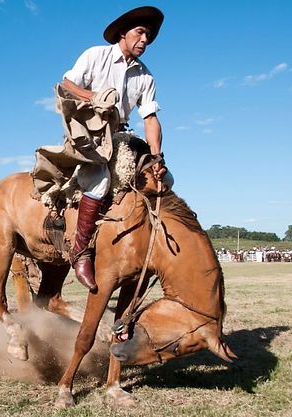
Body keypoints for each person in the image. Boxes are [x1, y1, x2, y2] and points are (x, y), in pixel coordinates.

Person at [61, 6, 167, 291]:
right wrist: (93, 97)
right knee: (101, 180)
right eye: (140, 32)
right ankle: (80, 251)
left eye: (149, 35)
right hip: (88, 131)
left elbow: (151, 118)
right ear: (123, 32)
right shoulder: (96, 55)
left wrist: (157, 157)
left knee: (164, 181)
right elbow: (67, 83)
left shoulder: (146, 77)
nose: (145, 40)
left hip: (121, 135)